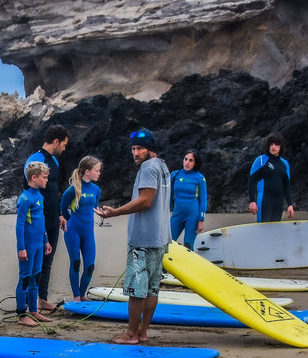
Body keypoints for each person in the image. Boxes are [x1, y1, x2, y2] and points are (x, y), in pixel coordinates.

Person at [96, 128, 171, 344]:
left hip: (143, 239)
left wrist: (116, 212)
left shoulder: (148, 167)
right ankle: (143, 332)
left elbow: (146, 200)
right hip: (160, 237)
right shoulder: (163, 166)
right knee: (151, 289)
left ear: (150, 150)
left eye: (140, 148)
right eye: (133, 149)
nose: (135, 153)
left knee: (138, 290)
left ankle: (131, 334)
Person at [22, 124, 69, 311]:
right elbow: (26, 190)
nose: (64, 149)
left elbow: (54, 191)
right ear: (56, 141)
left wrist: (59, 214)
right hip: (36, 219)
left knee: (48, 260)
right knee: (34, 260)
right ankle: (28, 301)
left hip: (51, 217)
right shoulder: (35, 159)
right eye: (63, 145)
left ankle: (42, 298)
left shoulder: (55, 163)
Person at [60, 155, 102, 301]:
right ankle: (77, 296)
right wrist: (68, 221)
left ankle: (83, 294)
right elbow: (62, 207)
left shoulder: (96, 190)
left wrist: (103, 213)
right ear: (87, 171)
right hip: (73, 230)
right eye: (97, 170)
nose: (99, 173)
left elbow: (95, 207)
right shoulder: (73, 189)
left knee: (90, 265)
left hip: (88, 231)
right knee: (76, 263)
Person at [15, 162, 53, 326]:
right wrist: (21, 248)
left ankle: (33, 311)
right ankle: (21, 315)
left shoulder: (39, 196)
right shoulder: (25, 198)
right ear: (34, 177)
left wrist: (45, 241)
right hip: (28, 246)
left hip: (38, 244)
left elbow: (41, 221)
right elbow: (19, 225)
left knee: (35, 277)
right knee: (25, 278)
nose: (46, 181)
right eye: (44, 178)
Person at [248, 133, 294, 222]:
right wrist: (252, 201)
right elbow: (251, 180)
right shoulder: (261, 160)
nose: (273, 147)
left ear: (281, 146)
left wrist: (290, 205)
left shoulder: (284, 164)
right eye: (271, 144)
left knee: (275, 231)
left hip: (279, 202)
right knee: (263, 230)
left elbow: (287, 186)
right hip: (265, 200)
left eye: (276, 144)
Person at [169, 149, 208, 250]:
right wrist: (165, 212)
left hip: (192, 216)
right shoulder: (174, 175)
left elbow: (203, 200)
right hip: (177, 214)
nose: (187, 162)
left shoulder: (200, 178)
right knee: (168, 242)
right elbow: (169, 195)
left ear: (195, 163)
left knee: (188, 246)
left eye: (191, 160)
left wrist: (201, 220)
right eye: (185, 159)